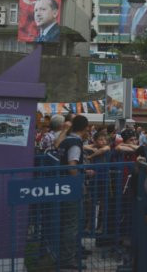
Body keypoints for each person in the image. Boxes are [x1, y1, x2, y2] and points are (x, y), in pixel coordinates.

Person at [56, 115, 90, 269]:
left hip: (62, 186)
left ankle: (66, 255)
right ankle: (68, 259)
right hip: (71, 187)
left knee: (67, 223)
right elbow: (72, 166)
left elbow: (56, 146)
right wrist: (79, 184)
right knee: (72, 225)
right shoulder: (76, 143)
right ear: (85, 128)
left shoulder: (65, 140)